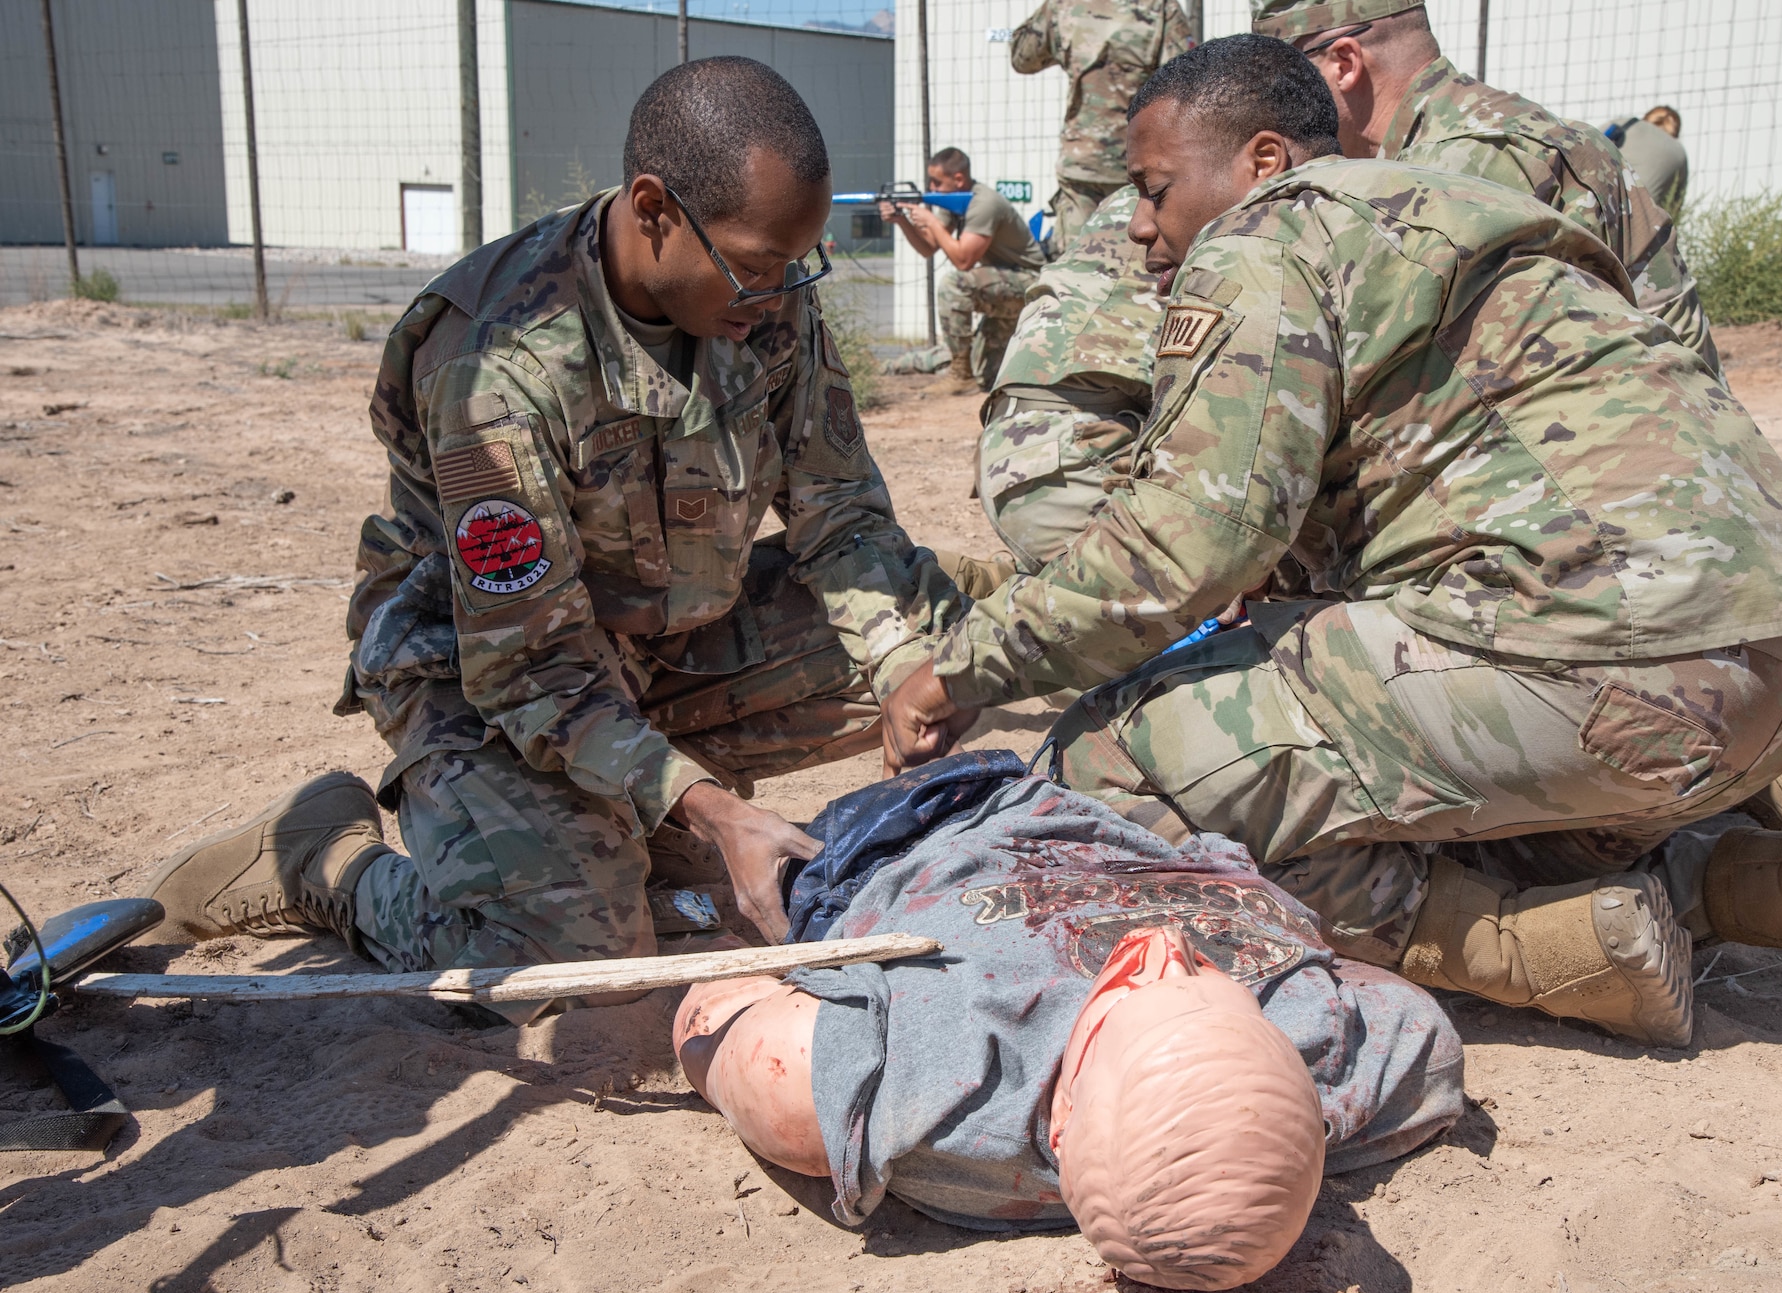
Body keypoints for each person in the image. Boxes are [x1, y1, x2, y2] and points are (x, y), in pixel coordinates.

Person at [879, 36, 1782, 1051]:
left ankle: (1532, 956)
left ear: (1262, 161)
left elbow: (1183, 547)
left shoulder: (1266, 238)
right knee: (1411, 783)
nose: (1138, 225)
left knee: (1113, 758)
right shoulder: (1459, 211)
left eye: (1154, 188)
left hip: (1610, 674)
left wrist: (962, 668)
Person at [136, 58, 965, 1022]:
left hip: (660, 640)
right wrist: (710, 804)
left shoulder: (760, 290)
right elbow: (533, 666)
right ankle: (333, 861)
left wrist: (906, 666)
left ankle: (625, 819)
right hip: (486, 674)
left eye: (798, 264)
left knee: (948, 639)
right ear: (653, 209)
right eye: (757, 264)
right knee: (561, 959)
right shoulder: (499, 363)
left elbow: (843, 515)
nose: (781, 292)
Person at [674, 770, 1463, 1289]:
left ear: (1063, 1112)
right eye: (1209, 983)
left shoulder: (934, 1090)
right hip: (1077, 811)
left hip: (896, 840)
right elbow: (1410, 1021)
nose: (1164, 948)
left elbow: (710, 1021)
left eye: (1130, 994)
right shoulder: (1330, 1054)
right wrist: (1274, 1122)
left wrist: (751, 965)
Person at [1255, 0, 1720, 377]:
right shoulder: (1511, 128)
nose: (1270, 111)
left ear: (1344, 63)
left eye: (1282, 85)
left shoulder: (1450, 169)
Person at [976, 185, 1162, 576]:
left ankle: (980, 584)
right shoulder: (1211, 197)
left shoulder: (1136, 193)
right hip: (1072, 465)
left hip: (1017, 451)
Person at [1009, 0, 1196, 258]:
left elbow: (1022, 56)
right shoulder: (1159, 6)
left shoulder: (1064, 5)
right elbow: (1184, 79)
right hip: (1139, 165)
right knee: (1140, 270)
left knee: (1075, 269)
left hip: (1085, 163)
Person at [879, 148, 1045, 391]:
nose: (932, 189)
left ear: (958, 179)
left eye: (937, 182)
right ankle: (964, 371)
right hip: (1005, 286)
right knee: (987, 376)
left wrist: (932, 222)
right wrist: (902, 220)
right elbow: (928, 248)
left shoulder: (984, 204)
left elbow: (963, 261)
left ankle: (960, 375)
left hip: (1031, 286)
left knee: (954, 284)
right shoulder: (953, 203)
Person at [1608, 105, 1688, 220]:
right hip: (1640, 224)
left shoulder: (1626, 124)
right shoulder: (1679, 153)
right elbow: (1675, 209)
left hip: (1598, 203)